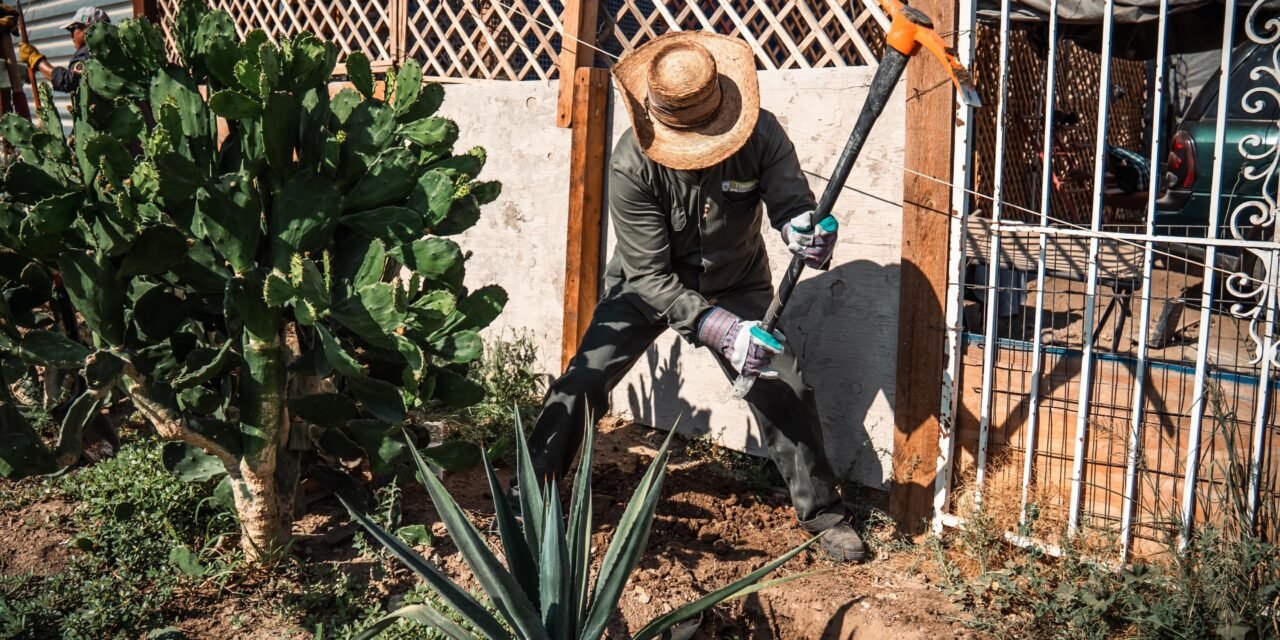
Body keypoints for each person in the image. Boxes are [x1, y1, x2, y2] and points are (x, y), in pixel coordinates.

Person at [516, 31, 867, 562]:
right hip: (647, 284)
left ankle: (823, 513)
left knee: (785, 383)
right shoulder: (632, 163)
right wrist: (723, 332)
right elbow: (652, 277)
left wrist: (807, 232)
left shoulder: (762, 132)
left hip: (738, 280)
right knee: (585, 376)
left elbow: (794, 204)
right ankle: (532, 496)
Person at [15, 6, 109, 95]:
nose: (71, 36)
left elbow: (68, 80)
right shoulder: (112, 51)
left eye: (72, 29)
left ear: (86, 28)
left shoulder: (89, 51)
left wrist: (36, 60)